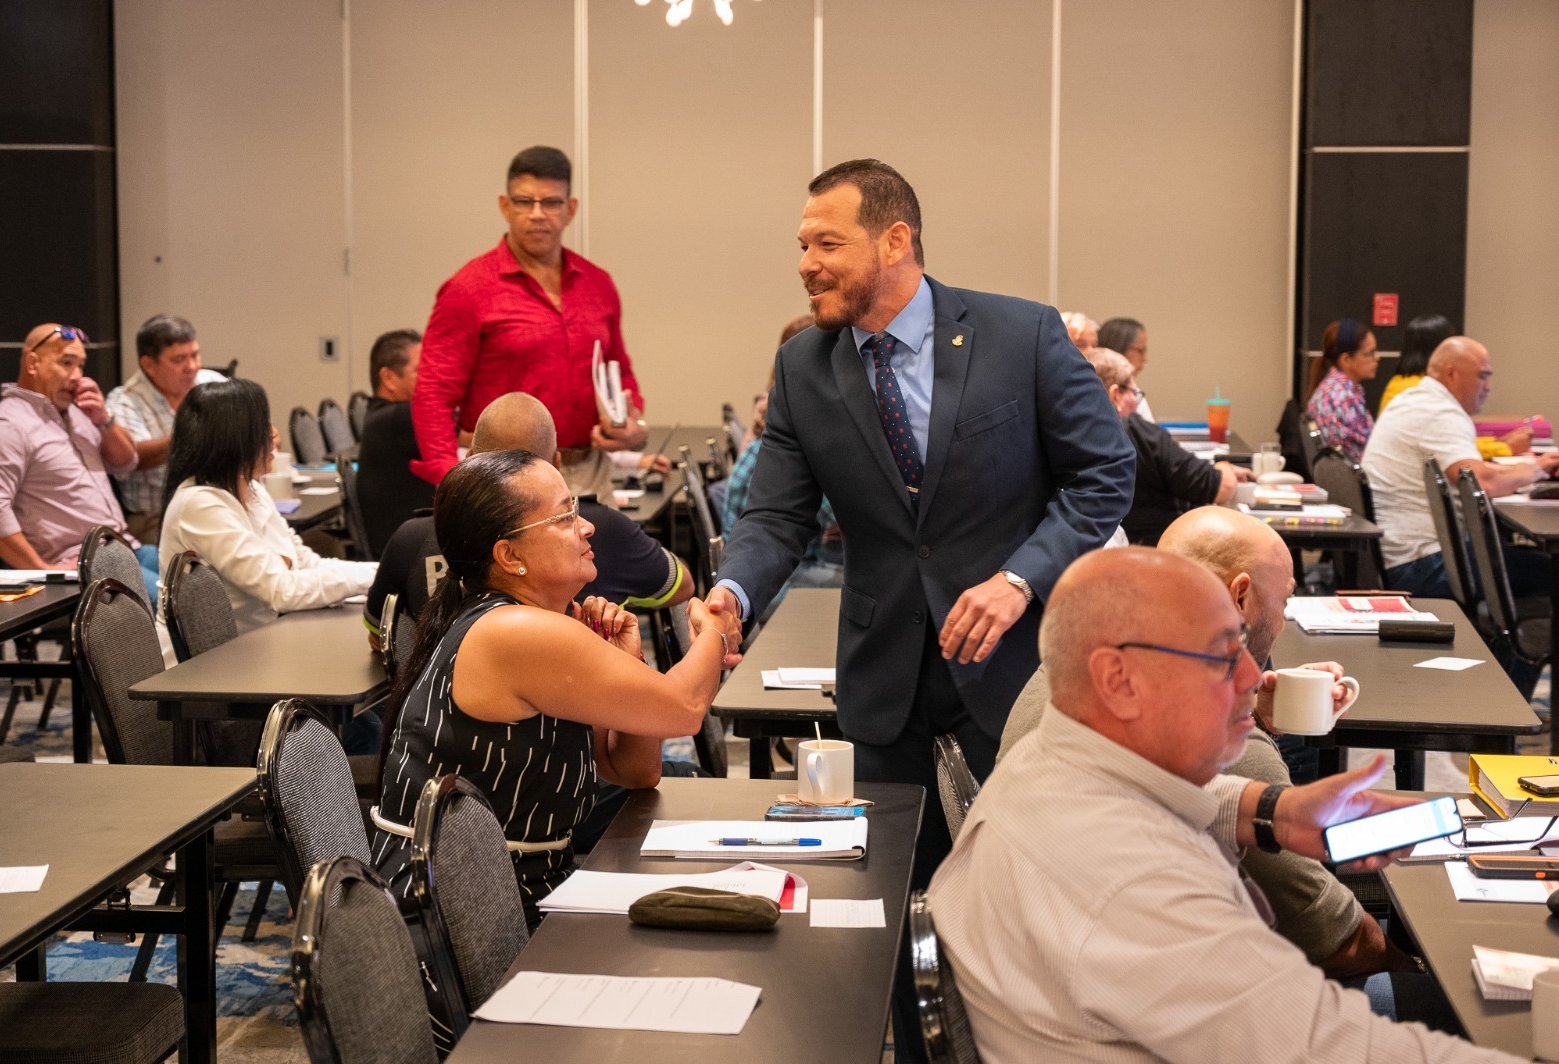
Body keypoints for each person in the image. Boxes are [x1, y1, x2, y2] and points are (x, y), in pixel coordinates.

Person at [709, 159, 1134, 899]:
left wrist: (1018, 579)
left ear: (894, 240)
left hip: (1018, 671)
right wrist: (732, 593)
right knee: (883, 903)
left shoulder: (1019, 334)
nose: (805, 265)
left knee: (1026, 895)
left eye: (827, 245)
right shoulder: (803, 366)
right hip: (883, 684)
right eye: (803, 246)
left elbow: (1104, 476)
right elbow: (776, 515)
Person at [929, 547, 1521, 1063]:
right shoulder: (1145, 888)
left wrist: (1272, 811)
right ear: (1119, 679)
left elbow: (1140, 794)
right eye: (1219, 658)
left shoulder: (1047, 760)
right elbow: (1341, 1048)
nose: (1251, 678)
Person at [369, 449, 726, 926]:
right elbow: (684, 708)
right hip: (465, 921)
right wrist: (716, 631)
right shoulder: (514, 631)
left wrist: (630, 662)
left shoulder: (530, 620)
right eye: (564, 517)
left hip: (518, 891)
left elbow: (632, 771)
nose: (587, 527)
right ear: (509, 555)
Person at [410, 145, 651, 498]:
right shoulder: (468, 289)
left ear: (570, 210)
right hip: (503, 481)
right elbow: (433, 395)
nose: (537, 214)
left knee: (599, 555)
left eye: (551, 202)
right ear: (505, 207)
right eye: (525, 201)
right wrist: (450, 480)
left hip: (590, 474)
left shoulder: (598, 285)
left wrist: (634, 426)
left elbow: (619, 372)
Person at [364, 391, 692, 642]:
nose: (582, 528)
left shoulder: (411, 538)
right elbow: (680, 586)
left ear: (471, 460)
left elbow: (383, 641)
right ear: (556, 464)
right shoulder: (603, 527)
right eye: (565, 518)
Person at [158, 378, 376, 632]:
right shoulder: (198, 505)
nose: (273, 434)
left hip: (266, 635)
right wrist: (377, 577)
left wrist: (380, 572)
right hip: (220, 659)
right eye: (261, 426)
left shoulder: (253, 490)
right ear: (232, 439)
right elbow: (281, 590)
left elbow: (307, 563)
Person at [0, 323, 160, 603]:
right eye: (66, 363)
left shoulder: (76, 414)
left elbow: (125, 462)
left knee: (206, 581)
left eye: (81, 365)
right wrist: (41, 570)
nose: (77, 376)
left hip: (126, 547)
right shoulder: (6, 426)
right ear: (33, 363)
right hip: (84, 564)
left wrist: (104, 419)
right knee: (178, 607)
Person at [1363, 336, 1559, 600]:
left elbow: (1476, 472)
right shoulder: (1439, 411)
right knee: (1548, 570)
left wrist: (1534, 468)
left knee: (1502, 548)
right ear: (1451, 374)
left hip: (1398, 559)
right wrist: (1539, 469)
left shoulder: (1412, 399)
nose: (1488, 386)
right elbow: (1482, 482)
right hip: (1423, 566)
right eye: (1482, 376)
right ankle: (1510, 639)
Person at [722, 316, 843, 605]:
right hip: (768, 576)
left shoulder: (772, 406)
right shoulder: (799, 421)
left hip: (764, 562)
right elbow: (837, 513)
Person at [1085, 348, 1240, 545]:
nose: (1136, 403)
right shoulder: (1136, 432)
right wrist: (1224, 467)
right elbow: (1219, 486)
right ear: (1115, 394)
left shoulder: (1074, 437)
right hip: (1164, 548)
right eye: (1135, 393)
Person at [105, 313, 226, 543]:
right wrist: (193, 435)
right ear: (149, 365)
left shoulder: (213, 382)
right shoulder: (125, 401)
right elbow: (133, 457)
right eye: (179, 360)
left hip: (219, 505)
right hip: (158, 516)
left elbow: (267, 436)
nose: (192, 367)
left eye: (195, 355)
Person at [1381, 314, 1533, 458]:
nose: (1487, 387)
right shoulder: (1424, 393)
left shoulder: (1399, 383)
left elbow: (1448, 441)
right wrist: (1505, 448)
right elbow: (1451, 449)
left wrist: (1497, 443)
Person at [355, 328, 434, 549]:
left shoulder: (384, 416)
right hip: (411, 555)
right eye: (421, 371)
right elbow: (481, 426)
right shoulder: (398, 418)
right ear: (389, 378)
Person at [1306, 318, 1379, 462]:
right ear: (1346, 360)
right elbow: (1360, 454)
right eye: (1369, 353)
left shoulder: (1339, 388)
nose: (1377, 358)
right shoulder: (1340, 397)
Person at [1098, 316, 1154, 421]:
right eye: (1140, 351)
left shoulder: (1137, 395)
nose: (1145, 359)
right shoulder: (1132, 398)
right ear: (1118, 350)